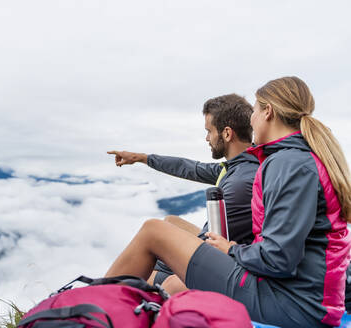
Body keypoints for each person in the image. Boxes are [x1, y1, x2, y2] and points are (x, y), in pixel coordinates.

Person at [105, 76, 351, 327]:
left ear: (268, 112)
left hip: (292, 303)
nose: (251, 119)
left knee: (153, 232)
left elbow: (279, 259)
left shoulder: (287, 164)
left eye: (255, 109)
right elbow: (190, 168)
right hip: (300, 296)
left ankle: (92, 314)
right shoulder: (289, 158)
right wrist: (143, 157)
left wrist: (231, 250)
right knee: (167, 225)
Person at [108, 94, 258, 288]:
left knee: (148, 266)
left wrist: (160, 260)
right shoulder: (238, 166)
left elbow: (207, 248)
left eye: (209, 131)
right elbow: (188, 167)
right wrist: (141, 158)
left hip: (224, 261)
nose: (207, 138)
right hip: (223, 243)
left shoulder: (239, 183)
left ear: (227, 134)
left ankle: (95, 303)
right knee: (171, 221)